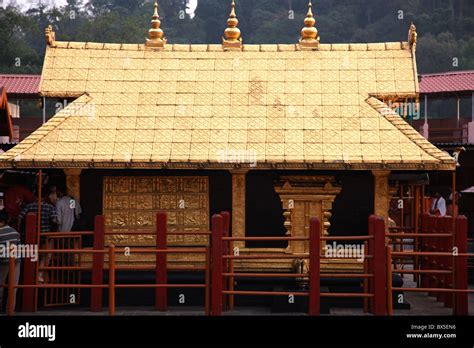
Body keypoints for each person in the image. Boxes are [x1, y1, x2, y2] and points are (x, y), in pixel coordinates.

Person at [17, 190, 58, 283]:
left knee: (32, 255)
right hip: (46, 235)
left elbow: (20, 216)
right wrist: (54, 230)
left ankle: (30, 275)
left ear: (35, 196)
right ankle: (39, 274)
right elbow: (54, 220)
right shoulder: (50, 207)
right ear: (46, 197)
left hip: (32, 236)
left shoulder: (29, 206)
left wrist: (19, 229)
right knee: (45, 255)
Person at [0, 210, 21, 311]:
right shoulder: (15, 232)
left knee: (0, 285)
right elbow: (19, 246)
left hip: (3, 262)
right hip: (16, 261)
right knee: (13, 287)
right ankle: (10, 308)